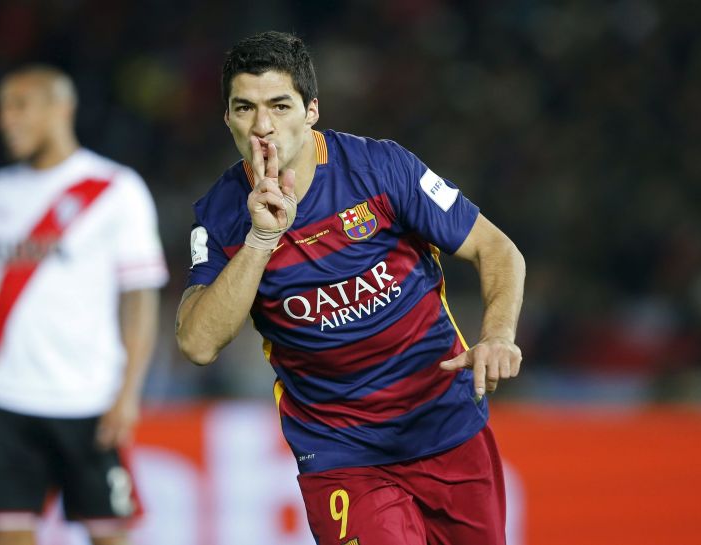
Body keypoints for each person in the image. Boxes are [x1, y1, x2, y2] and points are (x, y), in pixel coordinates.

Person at [176, 31, 525, 545]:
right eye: (244, 108)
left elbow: (497, 250)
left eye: (279, 105)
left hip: (444, 425)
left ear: (311, 110)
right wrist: (261, 240)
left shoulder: (379, 169)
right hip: (341, 455)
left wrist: (496, 334)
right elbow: (197, 343)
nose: (263, 127)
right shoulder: (223, 215)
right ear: (227, 118)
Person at [0, 65, 168, 545]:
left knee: (111, 536)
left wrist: (129, 392)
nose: (5, 120)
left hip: (88, 399)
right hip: (5, 398)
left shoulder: (115, 190)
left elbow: (140, 301)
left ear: (61, 108)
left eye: (19, 106)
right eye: (1, 109)